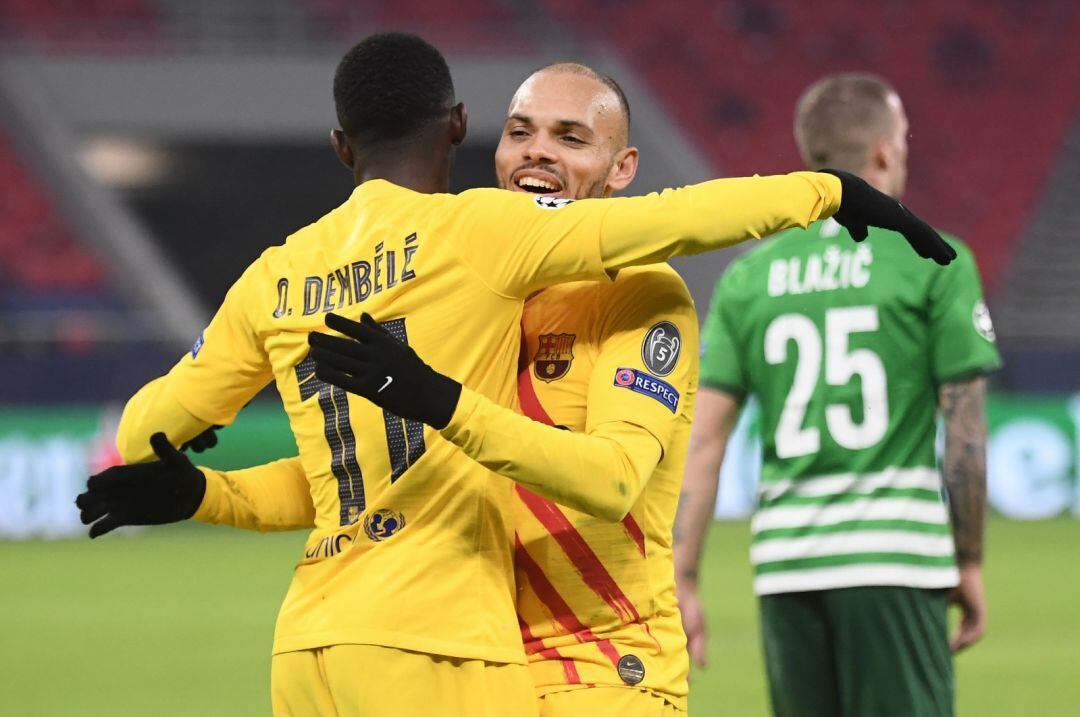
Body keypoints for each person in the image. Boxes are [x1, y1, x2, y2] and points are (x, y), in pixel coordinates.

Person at [76, 30, 953, 717]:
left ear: (621, 171)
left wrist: (825, 191)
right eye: (523, 131)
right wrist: (206, 496)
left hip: (604, 663)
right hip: (479, 654)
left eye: (572, 137)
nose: (538, 152)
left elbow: (611, 471)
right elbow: (365, 481)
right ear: (468, 135)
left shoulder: (634, 294)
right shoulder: (477, 270)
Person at [673, 73, 1001, 717]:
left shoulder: (750, 277)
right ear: (883, 150)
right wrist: (969, 561)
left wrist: (683, 576)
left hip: (787, 566)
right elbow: (964, 428)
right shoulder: (935, 258)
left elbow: (705, 439)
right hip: (896, 559)